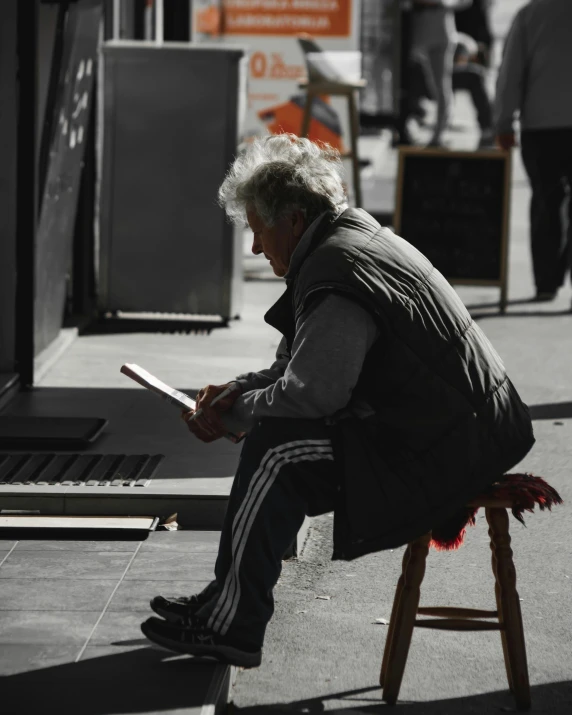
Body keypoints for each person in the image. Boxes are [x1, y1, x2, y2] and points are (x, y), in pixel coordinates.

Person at [140, 134, 535, 668]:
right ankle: (226, 603)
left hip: (452, 444)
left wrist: (237, 412)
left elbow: (314, 391)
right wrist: (239, 390)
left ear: (295, 220)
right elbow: (300, 366)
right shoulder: (345, 242)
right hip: (458, 427)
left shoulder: (335, 270)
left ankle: (234, 622)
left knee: (277, 452)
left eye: (258, 231)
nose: (255, 248)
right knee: (273, 436)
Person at [494, 0, 572, 303]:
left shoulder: (530, 14)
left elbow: (511, 70)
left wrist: (503, 121)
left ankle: (546, 282)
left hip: (541, 126)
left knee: (546, 200)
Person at [409, 31, 495, 148]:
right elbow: (451, 66)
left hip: (425, 70)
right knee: (475, 77)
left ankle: (487, 129)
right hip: (426, 72)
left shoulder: (465, 43)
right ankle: (487, 130)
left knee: (471, 77)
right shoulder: (468, 46)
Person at [409, 0, 473, 146]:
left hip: (440, 35)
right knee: (417, 84)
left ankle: (439, 133)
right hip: (415, 33)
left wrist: (443, 3)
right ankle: (412, 125)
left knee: (440, 85)